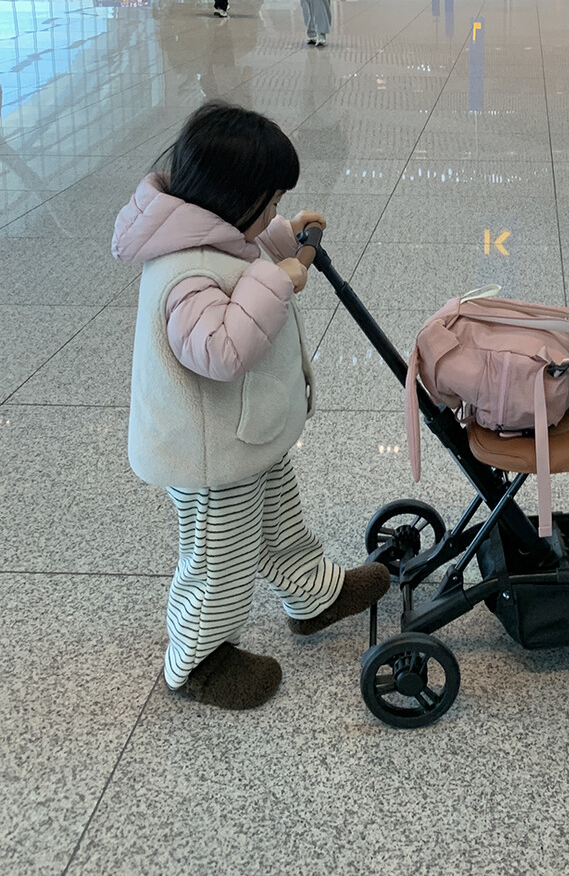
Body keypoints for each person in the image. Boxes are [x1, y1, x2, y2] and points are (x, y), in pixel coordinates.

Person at [112, 101, 391, 711]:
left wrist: (283, 237)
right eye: (267, 204)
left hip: (245, 432)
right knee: (222, 558)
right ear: (230, 200)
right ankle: (195, 661)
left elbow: (243, 247)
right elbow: (221, 350)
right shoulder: (184, 273)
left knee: (280, 521)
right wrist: (278, 278)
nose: (271, 213)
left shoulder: (213, 226)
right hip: (210, 455)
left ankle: (314, 596)